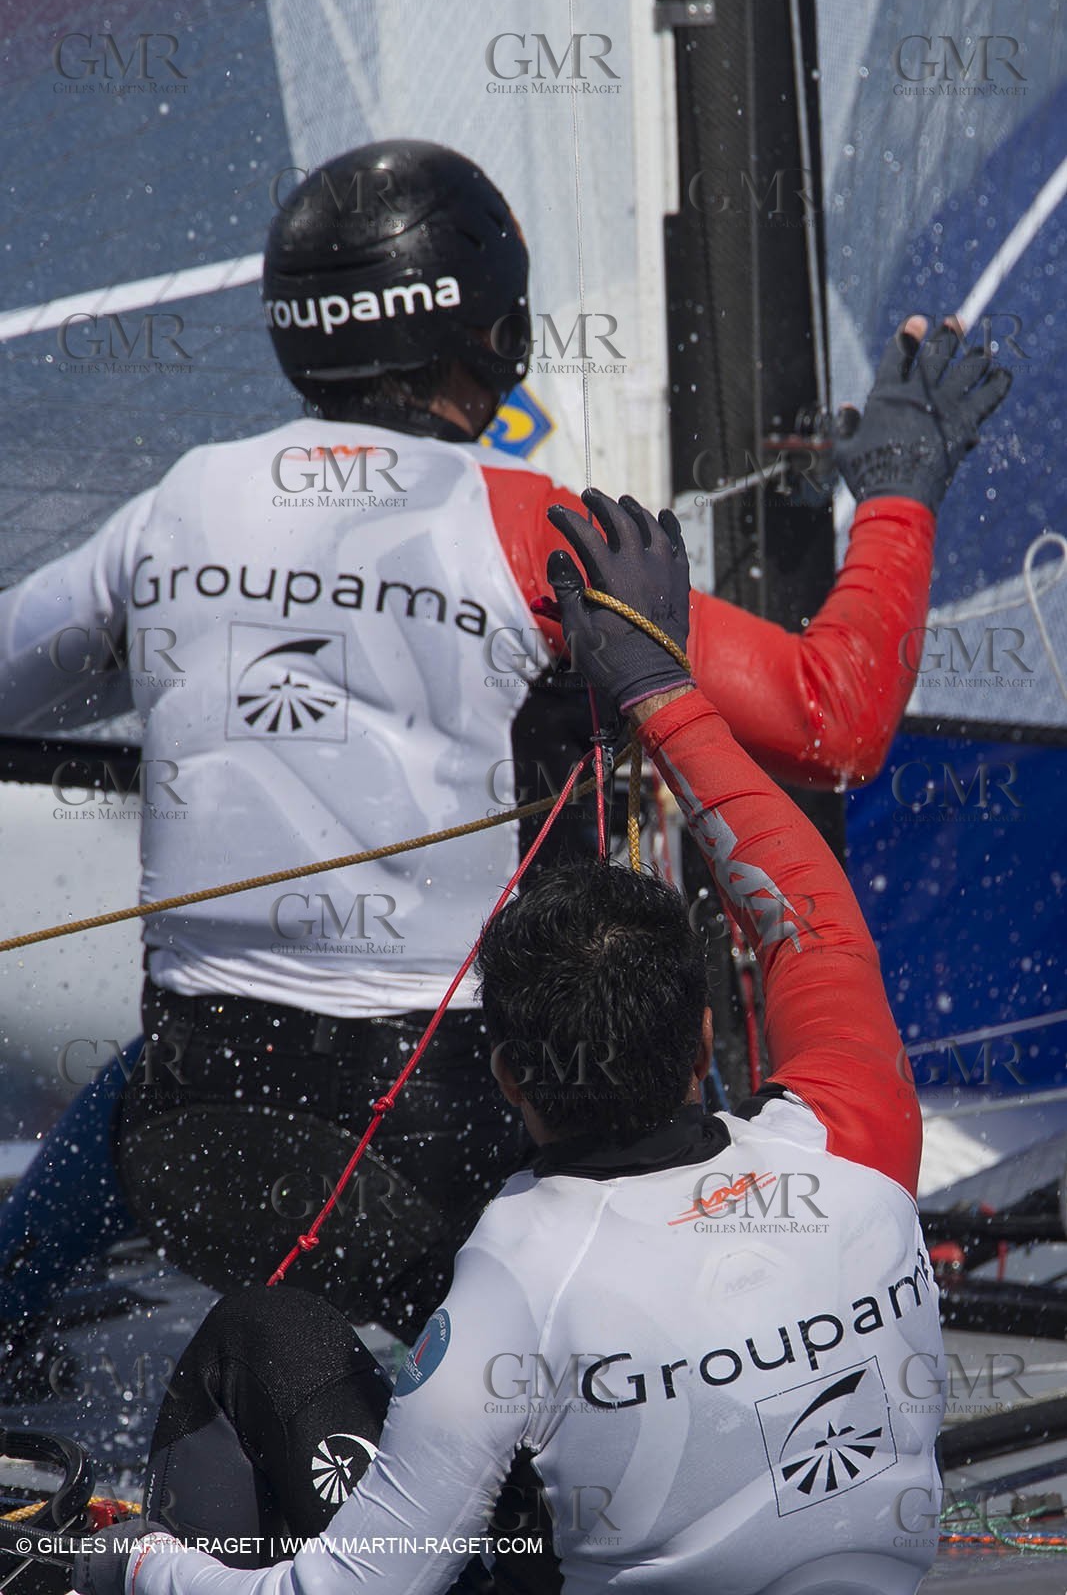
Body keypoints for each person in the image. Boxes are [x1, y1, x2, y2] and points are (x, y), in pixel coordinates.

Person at [0, 135, 1010, 1367]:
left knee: (148, 1080)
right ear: (493, 328)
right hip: (443, 1159)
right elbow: (832, 718)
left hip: (191, 1159)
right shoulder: (529, 526)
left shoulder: (173, 504)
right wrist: (898, 495)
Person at [72, 491, 945, 1595]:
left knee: (266, 1335)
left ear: (507, 1082)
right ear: (705, 1040)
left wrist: (121, 1565)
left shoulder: (520, 1269)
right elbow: (806, 920)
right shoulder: (850, 1151)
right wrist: (662, 690)